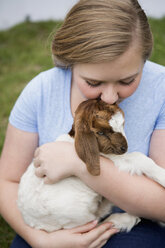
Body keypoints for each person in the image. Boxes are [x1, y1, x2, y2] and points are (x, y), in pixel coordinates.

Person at [0, 0, 165, 247]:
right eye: (94, 83)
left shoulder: (160, 90)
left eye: (128, 80)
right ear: (70, 61)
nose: (110, 97)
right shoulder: (42, 91)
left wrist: (79, 162)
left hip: (134, 221)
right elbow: (7, 180)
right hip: (51, 228)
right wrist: (39, 239)